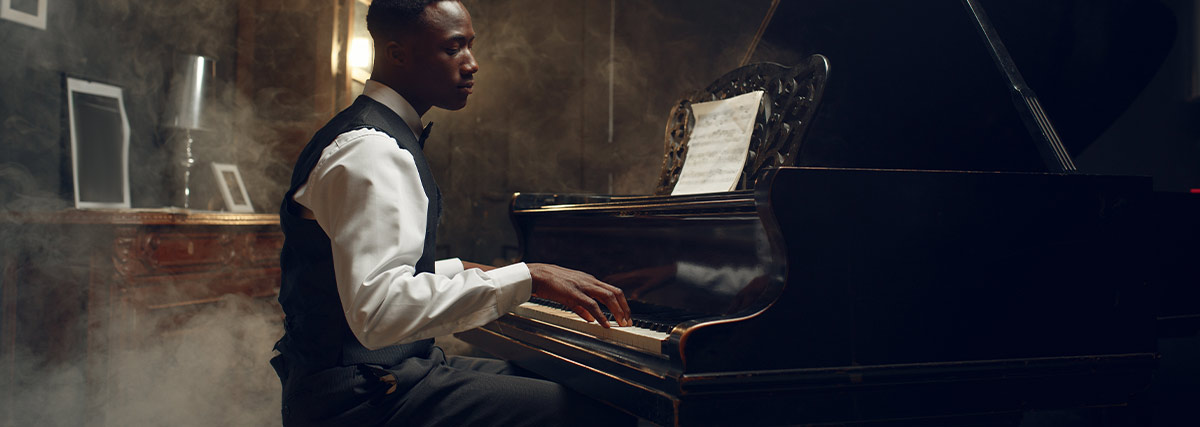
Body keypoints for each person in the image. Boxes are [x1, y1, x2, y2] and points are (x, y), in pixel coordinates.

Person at [269, 1, 635, 425]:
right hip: (357, 397)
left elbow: (355, 278)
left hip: (382, 375)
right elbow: (379, 311)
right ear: (397, 54)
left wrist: (466, 268)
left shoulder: (374, 136)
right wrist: (529, 276)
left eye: (470, 47)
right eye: (453, 48)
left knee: (575, 383)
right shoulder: (370, 150)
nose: (472, 64)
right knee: (590, 411)